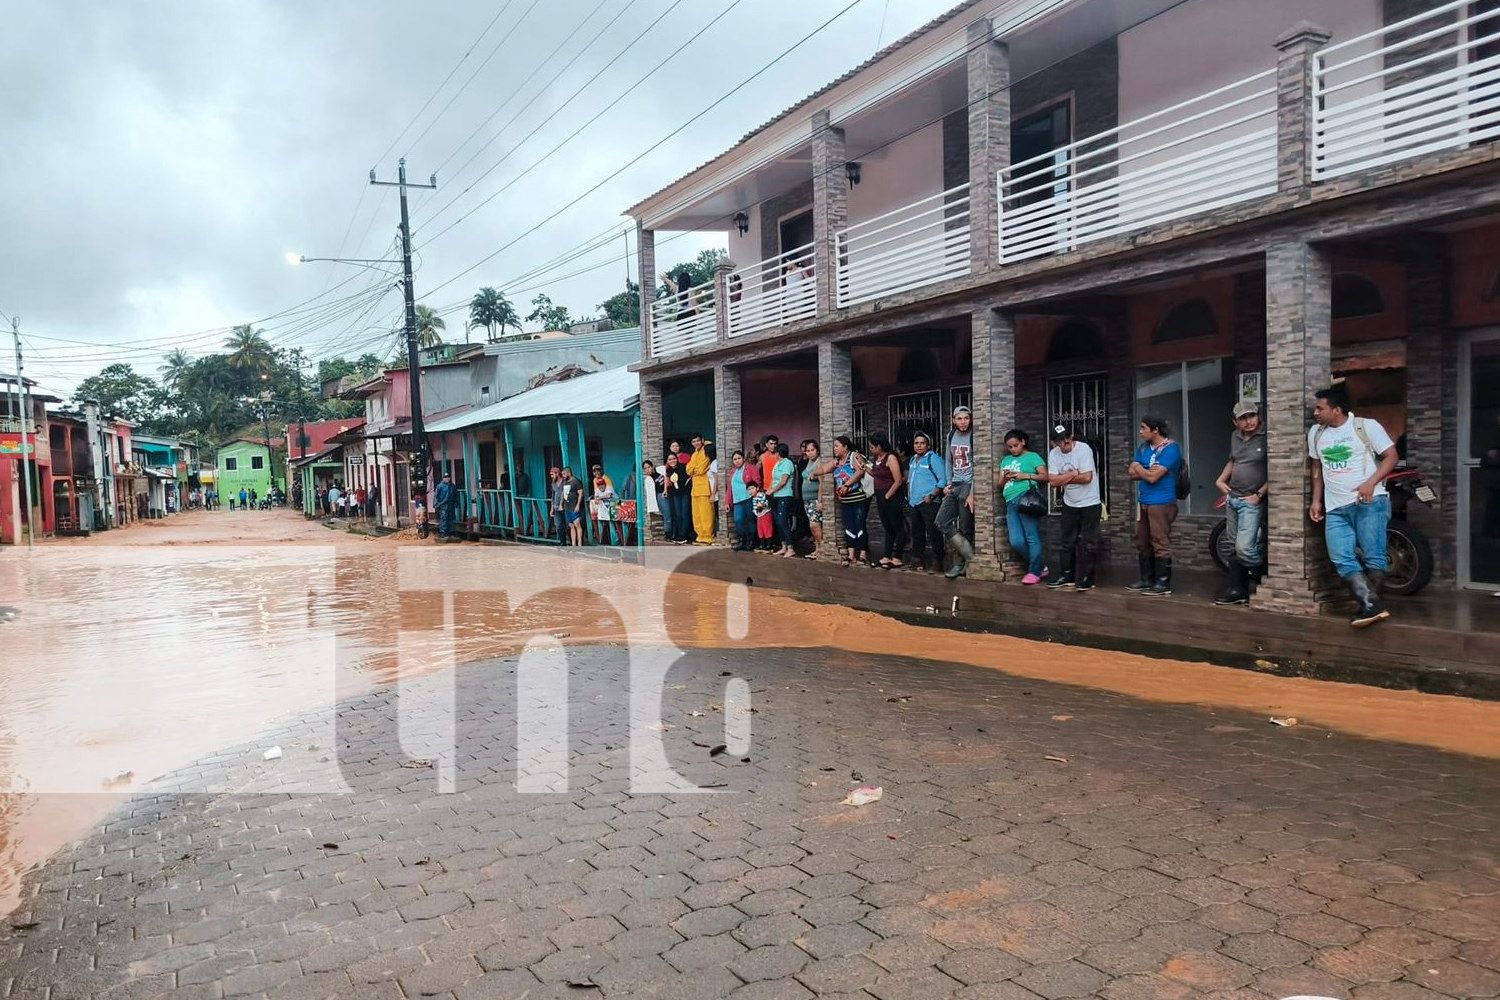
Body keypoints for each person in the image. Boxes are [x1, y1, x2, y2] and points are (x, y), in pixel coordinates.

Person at [1309, 385, 1399, 627]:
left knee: (1373, 556)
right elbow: (1317, 469)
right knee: (1340, 556)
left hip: (1369, 502)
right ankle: (1371, 605)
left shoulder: (1366, 426)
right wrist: (1316, 500)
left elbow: (1392, 456)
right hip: (1335, 507)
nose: (1315, 412)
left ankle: (1369, 605)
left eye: (1320, 408)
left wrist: (1370, 483)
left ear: (1336, 410)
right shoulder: (1316, 433)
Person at [1214, 401, 1269, 606]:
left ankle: (1264, 576)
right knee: (1234, 545)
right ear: (1235, 421)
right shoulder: (1234, 437)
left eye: (1252, 416)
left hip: (1252, 499)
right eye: (1243, 418)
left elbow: (1277, 468)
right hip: (1233, 497)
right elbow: (1234, 461)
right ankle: (1239, 590)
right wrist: (1220, 480)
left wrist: (1259, 494)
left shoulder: (1267, 436)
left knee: (1244, 548)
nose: (1248, 421)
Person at [1128, 414, 1182, 597]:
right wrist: (1144, 471)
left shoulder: (1170, 448)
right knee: (1141, 539)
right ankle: (1146, 579)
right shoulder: (1143, 448)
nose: (1141, 432)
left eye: (1144, 428)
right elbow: (1131, 471)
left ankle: (1162, 583)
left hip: (1162, 501)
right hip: (1144, 500)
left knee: (1160, 541)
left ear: (1155, 429)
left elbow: (1153, 477)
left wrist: (1140, 470)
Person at [1045, 425, 1101, 592]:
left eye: (1068, 436)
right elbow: (1053, 482)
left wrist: (1063, 478)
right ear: (1054, 443)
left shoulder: (1083, 449)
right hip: (1070, 502)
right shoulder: (1053, 454)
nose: (1066, 441)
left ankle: (1087, 579)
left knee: (1089, 542)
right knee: (1067, 541)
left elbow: (1087, 477)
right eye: (1061, 439)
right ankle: (1066, 576)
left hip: (1090, 502)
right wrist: (1071, 474)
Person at [999, 429, 1048, 584]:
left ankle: (1034, 572)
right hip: (1010, 501)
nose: (1013, 449)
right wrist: (1005, 478)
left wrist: (1024, 475)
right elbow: (999, 484)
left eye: (1015, 445)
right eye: (1010, 447)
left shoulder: (1032, 457)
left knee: (1031, 536)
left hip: (1026, 498)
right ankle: (1040, 567)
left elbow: (1045, 476)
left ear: (1023, 442)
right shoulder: (1005, 460)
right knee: (1016, 541)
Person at [815, 435, 870, 566]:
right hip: (845, 500)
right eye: (834, 446)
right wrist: (813, 473)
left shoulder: (854, 456)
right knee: (849, 526)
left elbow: (860, 471)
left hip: (858, 498)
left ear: (845, 447)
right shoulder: (836, 462)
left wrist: (847, 485)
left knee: (859, 525)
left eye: (837, 446)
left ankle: (862, 554)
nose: (834, 449)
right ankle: (851, 555)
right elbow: (824, 469)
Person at [938, 406, 977, 578]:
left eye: (966, 418)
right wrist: (948, 483)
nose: (963, 422)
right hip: (955, 484)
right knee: (941, 521)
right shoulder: (951, 435)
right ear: (953, 420)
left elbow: (978, 464)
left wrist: (973, 492)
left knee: (965, 527)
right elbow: (948, 460)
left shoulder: (974, 436)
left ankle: (961, 565)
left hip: (968, 485)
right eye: (959, 419)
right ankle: (970, 558)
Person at [905, 431, 947, 573]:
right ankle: (917, 559)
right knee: (917, 533)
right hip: (914, 502)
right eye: (916, 443)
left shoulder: (933, 459)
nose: (919, 446)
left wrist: (932, 496)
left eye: (922, 443)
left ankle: (938, 561)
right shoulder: (913, 460)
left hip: (929, 502)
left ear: (928, 445)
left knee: (933, 532)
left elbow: (942, 480)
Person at [867, 434, 907, 569]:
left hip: (891, 496)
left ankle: (897, 557)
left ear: (879, 446)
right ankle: (887, 555)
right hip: (880, 496)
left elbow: (898, 480)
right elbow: (877, 474)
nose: (871, 449)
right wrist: (866, 469)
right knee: (888, 527)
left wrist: (888, 495)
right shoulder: (876, 458)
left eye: (872, 447)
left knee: (898, 527)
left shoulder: (891, 457)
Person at [769, 443, 797, 558]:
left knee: (783, 521)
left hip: (784, 495)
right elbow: (774, 479)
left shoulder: (787, 463)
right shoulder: (777, 464)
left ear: (778, 453)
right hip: (775, 495)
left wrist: (772, 490)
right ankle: (783, 546)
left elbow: (783, 481)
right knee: (778, 522)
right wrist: (769, 490)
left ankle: (790, 548)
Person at [686, 434, 715, 544]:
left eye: (698, 441)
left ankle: (708, 536)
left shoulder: (706, 451)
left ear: (702, 440)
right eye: (694, 441)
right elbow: (688, 470)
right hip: (695, 488)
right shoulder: (694, 454)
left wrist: (693, 469)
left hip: (704, 487)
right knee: (697, 515)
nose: (696, 443)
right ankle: (700, 536)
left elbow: (701, 469)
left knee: (706, 514)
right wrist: (693, 469)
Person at [800, 440, 825, 558]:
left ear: (818, 450)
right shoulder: (809, 462)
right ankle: (817, 548)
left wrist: (820, 501)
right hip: (807, 499)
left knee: (814, 524)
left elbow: (822, 483)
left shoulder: (819, 462)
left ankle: (822, 549)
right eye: (808, 451)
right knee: (813, 526)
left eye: (812, 450)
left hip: (815, 498)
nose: (810, 453)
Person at [728, 450, 757, 551]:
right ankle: (743, 541)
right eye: (735, 459)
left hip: (748, 498)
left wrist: (756, 496)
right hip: (737, 501)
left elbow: (756, 482)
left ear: (743, 459)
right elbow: (729, 488)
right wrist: (728, 502)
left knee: (750, 520)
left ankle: (751, 542)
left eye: (739, 458)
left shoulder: (751, 468)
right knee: (738, 520)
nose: (737, 461)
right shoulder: (732, 471)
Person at [663, 452, 690, 543]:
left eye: (673, 459)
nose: (672, 461)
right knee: (678, 515)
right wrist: (665, 491)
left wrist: (687, 483)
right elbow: (667, 480)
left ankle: (684, 535)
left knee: (684, 514)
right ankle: (679, 534)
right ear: (667, 461)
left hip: (685, 493)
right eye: (670, 459)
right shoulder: (668, 470)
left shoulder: (684, 466)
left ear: (677, 459)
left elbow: (691, 475)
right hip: (676, 494)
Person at [561, 467, 585, 546]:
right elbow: (563, 493)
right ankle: (573, 544)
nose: (563, 476)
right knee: (571, 525)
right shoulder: (565, 482)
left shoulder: (576, 481)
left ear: (569, 473)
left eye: (564, 474)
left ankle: (580, 543)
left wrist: (578, 505)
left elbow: (580, 494)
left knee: (577, 524)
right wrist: (561, 504)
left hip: (574, 505)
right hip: (567, 506)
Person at [749, 482, 774, 550]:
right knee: (760, 529)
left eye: (752, 488)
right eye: (749, 489)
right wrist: (755, 511)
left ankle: (769, 544)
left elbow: (766, 502)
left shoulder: (761, 495)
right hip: (759, 515)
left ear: (757, 488)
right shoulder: (753, 498)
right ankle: (762, 544)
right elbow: (755, 507)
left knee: (767, 528)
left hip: (765, 514)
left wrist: (762, 505)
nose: (751, 490)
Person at [434, 473, 458, 538]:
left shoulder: (453, 486)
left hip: (451, 505)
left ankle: (450, 532)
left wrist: (456, 503)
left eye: (448, 477)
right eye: (446, 477)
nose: (447, 478)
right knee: (444, 519)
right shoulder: (440, 486)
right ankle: (443, 533)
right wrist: (436, 504)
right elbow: (436, 495)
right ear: (443, 478)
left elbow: (456, 495)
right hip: (443, 505)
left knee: (451, 518)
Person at [550, 467, 568, 543]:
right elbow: (553, 496)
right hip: (556, 507)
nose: (551, 476)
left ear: (557, 473)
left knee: (568, 525)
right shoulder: (553, 483)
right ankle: (562, 543)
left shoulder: (564, 482)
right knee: (558, 526)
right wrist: (551, 508)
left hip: (566, 506)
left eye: (552, 474)